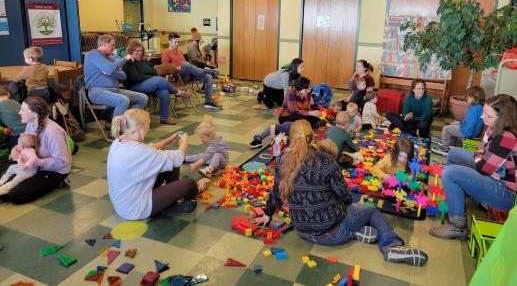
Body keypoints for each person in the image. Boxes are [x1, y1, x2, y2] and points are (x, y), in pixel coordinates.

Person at [254, 120, 428, 267]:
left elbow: (276, 191)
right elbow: (345, 196)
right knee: (371, 211)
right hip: (333, 233)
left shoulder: (281, 159)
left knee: (349, 213)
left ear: (291, 137)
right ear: (313, 137)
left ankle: (356, 231)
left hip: (303, 231)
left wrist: (268, 214)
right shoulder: (326, 160)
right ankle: (391, 246)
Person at [430, 94, 517, 240]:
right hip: (496, 177)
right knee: (454, 154)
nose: (482, 117)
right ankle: (455, 201)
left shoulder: (507, 138)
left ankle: (457, 226)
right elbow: (480, 152)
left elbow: (483, 167)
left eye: (488, 116)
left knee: (451, 173)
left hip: (507, 193)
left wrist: (486, 166)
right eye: (484, 112)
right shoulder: (493, 129)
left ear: (502, 119)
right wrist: (486, 166)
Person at [107, 109, 210, 220]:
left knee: (169, 164)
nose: (149, 128)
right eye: (148, 125)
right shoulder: (141, 151)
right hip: (135, 209)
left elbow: (148, 150)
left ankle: (171, 201)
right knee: (189, 184)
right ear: (141, 128)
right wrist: (185, 141)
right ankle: (173, 202)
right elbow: (179, 158)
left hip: (124, 203)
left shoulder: (119, 141)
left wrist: (168, 141)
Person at [0, 96, 72, 204]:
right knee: (4, 188)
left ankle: (60, 182)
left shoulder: (52, 131)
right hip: (34, 167)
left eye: (23, 110)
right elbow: (25, 144)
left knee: (14, 195)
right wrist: (15, 150)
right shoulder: (30, 124)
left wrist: (35, 161)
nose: (19, 112)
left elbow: (62, 162)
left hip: (54, 171)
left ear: (35, 114)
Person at [122, 41, 191, 125]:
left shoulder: (145, 62)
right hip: (135, 86)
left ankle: (164, 118)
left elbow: (154, 72)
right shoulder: (128, 62)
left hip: (150, 84)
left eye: (141, 51)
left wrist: (153, 79)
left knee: (164, 92)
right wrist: (153, 79)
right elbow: (136, 77)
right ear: (131, 51)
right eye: (136, 51)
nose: (139, 53)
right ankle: (178, 93)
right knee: (159, 80)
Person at [84, 34, 148, 119]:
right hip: (97, 91)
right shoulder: (92, 54)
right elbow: (109, 69)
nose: (114, 48)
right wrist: (125, 58)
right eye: (112, 45)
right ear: (104, 44)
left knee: (143, 98)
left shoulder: (111, 57)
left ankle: (129, 124)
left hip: (114, 90)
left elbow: (123, 75)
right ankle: (116, 131)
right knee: (123, 101)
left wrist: (111, 72)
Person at [161, 33, 220, 109]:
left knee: (208, 77)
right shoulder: (166, 53)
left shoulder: (180, 52)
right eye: (175, 42)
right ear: (169, 42)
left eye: (178, 42)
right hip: (179, 77)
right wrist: (178, 67)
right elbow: (165, 68)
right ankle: (206, 71)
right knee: (185, 64)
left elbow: (186, 66)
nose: (177, 44)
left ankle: (208, 102)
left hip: (188, 74)